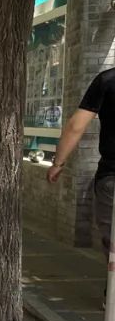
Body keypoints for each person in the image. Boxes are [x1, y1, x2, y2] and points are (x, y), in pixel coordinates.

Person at [48, 67, 115, 252]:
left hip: (111, 176)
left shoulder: (107, 79)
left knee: (113, 247)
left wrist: (58, 164)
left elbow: (76, 126)